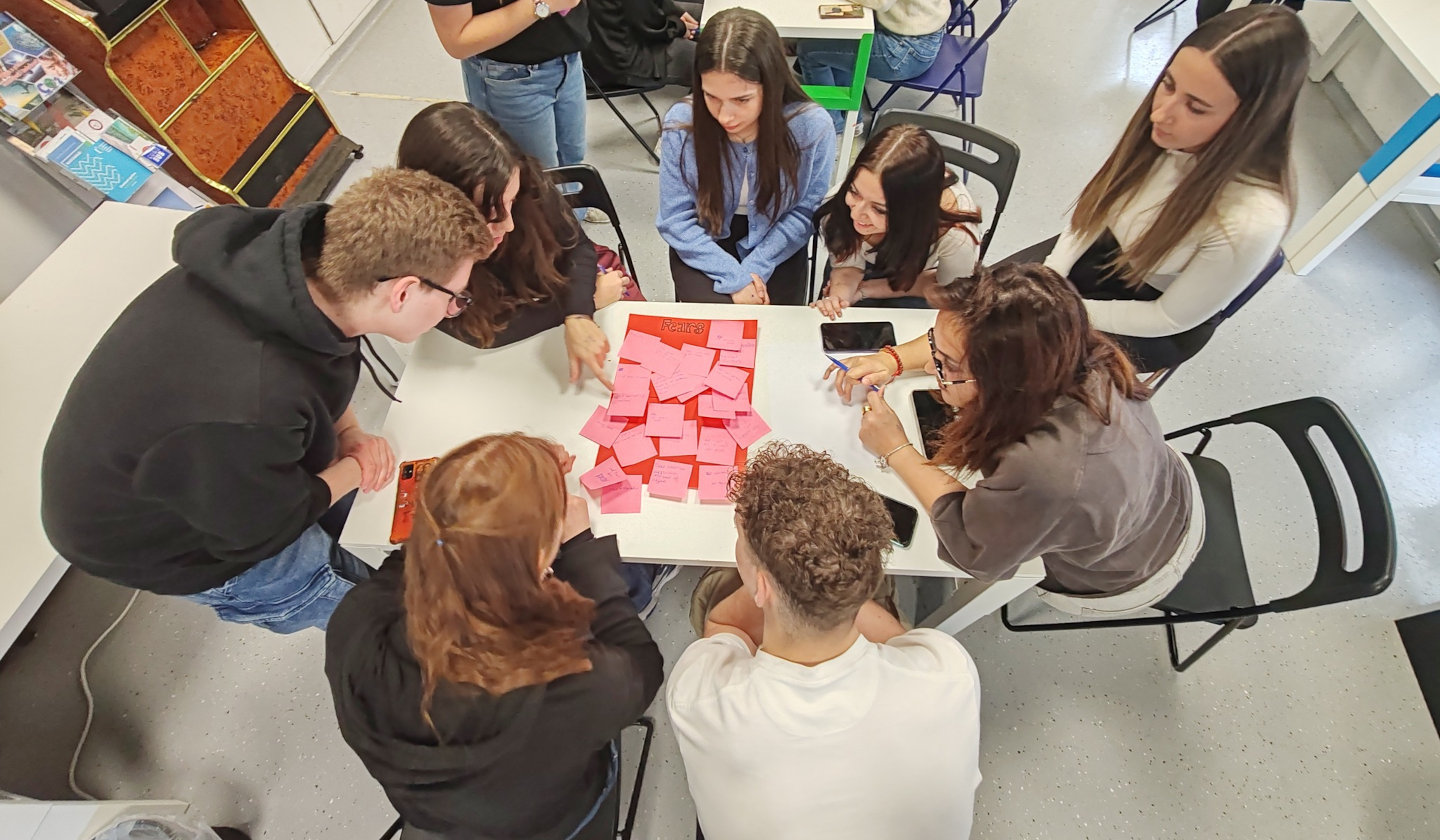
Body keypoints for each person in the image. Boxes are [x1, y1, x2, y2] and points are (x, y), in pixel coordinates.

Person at [41, 169, 491, 633]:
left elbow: (323, 361)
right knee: (359, 608)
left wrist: (349, 433)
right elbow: (266, 525)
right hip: (175, 535)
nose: (454, 308)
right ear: (403, 292)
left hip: (218, 460)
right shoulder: (248, 405)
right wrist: (356, 469)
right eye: (457, 297)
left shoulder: (311, 274)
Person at [327, 434, 663, 839]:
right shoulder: (572, 682)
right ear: (540, 559)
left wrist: (501, 492)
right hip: (555, 819)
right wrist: (581, 548)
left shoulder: (355, 620)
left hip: (441, 816)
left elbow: (419, 559)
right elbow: (643, 666)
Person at [827, 264, 1204, 616]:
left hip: (1132, 565)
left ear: (1004, 380)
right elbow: (967, 336)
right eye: (935, 351)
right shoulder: (1064, 347)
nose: (930, 367)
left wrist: (895, 447)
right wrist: (891, 359)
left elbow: (973, 548)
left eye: (947, 364)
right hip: (1167, 488)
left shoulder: (1049, 471)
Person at [668, 441, 982, 839]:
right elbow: (897, 641)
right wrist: (831, 578)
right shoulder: (948, 671)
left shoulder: (699, 697)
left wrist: (782, 580)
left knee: (714, 591)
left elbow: (722, 622)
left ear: (761, 586)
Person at [1003, 5, 1308, 371]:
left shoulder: (1252, 219)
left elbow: (1169, 317)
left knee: (1012, 361)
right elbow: (1095, 214)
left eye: (1196, 108)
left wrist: (1065, 308)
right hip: (1102, 255)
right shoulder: (1166, 131)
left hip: (1151, 316)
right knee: (983, 305)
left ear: (1249, 123)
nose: (1160, 113)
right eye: (1168, 84)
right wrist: (1052, 275)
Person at [397, 101, 622, 388]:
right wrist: (582, 305)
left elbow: (577, 246)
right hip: (502, 353)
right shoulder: (416, 253)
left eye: (511, 201)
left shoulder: (525, 183)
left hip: (554, 294)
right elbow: (476, 332)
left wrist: (578, 311)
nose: (508, 225)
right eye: (487, 213)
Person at [657, 8, 836, 305]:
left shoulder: (811, 127)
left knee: (774, 325)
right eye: (711, 97)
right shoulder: (682, 123)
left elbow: (805, 212)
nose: (725, 116)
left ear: (773, 85)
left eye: (742, 99)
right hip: (702, 241)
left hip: (777, 241)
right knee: (714, 323)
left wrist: (756, 267)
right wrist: (736, 277)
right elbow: (675, 219)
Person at [811, 122, 982, 317]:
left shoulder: (956, 233)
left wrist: (868, 289)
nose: (856, 214)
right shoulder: (837, 205)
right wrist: (839, 300)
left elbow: (949, 292)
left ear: (914, 212)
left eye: (879, 209)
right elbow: (847, 266)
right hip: (892, 272)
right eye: (854, 192)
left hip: (922, 276)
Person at [425, 0, 591, 172]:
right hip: (510, 76)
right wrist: (542, 4)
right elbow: (458, 41)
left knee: (572, 161)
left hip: (567, 57)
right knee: (534, 175)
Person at [797, 0, 952, 134]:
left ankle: (834, 124)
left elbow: (880, 2)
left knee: (809, 50)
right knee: (838, 42)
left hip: (905, 50)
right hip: (924, 36)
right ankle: (850, 116)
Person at [584, 0, 701, 88]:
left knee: (700, 13)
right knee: (708, 56)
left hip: (614, 40)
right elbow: (653, 27)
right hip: (623, 61)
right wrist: (680, 27)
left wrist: (675, 12)